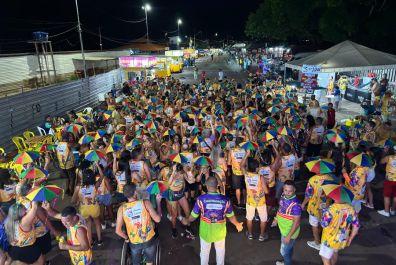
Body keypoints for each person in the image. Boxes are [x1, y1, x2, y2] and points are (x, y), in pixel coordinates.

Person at [188, 177, 243, 265]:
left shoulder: (200, 199)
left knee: (204, 254)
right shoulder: (225, 200)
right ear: (217, 185)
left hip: (205, 232)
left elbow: (193, 216)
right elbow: (231, 216)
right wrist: (237, 224)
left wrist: (187, 220)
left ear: (206, 185)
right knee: (220, 254)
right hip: (220, 233)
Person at [115, 184, 161, 265]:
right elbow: (158, 219)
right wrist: (158, 202)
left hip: (134, 243)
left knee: (136, 262)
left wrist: (127, 238)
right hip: (148, 240)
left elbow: (118, 231)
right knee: (149, 262)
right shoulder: (145, 203)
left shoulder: (121, 209)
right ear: (135, 192)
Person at [320, 196, 360, 265]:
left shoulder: (331, 209)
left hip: (329, 240)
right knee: (335, 252)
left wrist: (322, 212)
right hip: (341, 238)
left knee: (325, 258)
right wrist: (350, 238)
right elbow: (356, 226)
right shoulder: (351, 209)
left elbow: (323, 224)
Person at [301, 173, 334, 250]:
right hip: (326, 207)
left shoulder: (312, 180)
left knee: (314, 224)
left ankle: (317, 242)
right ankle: (320, 236)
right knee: (322, 222)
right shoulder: (330, 178)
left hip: (314, 207)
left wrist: (303, 204)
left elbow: (308, 195)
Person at [241, 155, 269, 241]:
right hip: (260, 202)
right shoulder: (260, 177)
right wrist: (266, 183)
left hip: (250, 201)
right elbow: (267, 191)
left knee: (249, 218)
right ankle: (261, 235)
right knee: (263, 218)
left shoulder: (246, 175)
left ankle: (250, 234)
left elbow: (241, 166)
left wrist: (246, 155)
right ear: (256, 168)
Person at [274, 180, 302, 265]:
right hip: (283, 229)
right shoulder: (283, 196)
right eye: (285, 190)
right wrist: (276, 219)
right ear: (283, 189)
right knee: (288, 250)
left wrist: (289, 236)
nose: (287, 193)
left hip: (289, 232)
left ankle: (287, 263)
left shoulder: (296, 204)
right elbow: (280, 207)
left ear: (294, 190)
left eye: (290, 191)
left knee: (284, 253)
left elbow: (296, 223)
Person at [378, 146, 396, 217]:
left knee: (387, 196)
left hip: (389, 180)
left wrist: (384, 153)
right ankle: (393, 211)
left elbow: (381, 162)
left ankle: (386, 211)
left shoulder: (389, 157)